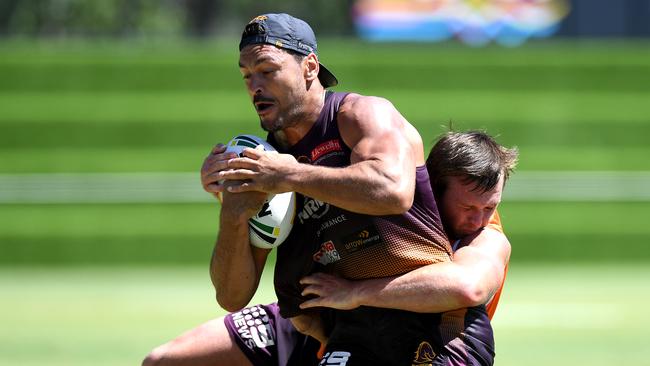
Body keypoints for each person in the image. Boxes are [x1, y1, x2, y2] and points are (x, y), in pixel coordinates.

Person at [143, 12, 514, 365]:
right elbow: (231, 295)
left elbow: (393, 190)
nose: (256, 86)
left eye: (268, 71)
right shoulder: (266, 162)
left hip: (433, 332)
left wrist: (289, 175)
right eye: (247, 76)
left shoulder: (360, 116)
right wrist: (233, 212)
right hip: (344, 329)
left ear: (310, 67)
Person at [143, 130, 518, 366]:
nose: (481, 218)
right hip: (312, 312)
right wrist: (229, 180)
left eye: (490, 205)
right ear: (431, 188)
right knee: (164, 360)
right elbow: (307, 205)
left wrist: (355, 293)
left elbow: (468, 287)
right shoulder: (393, 197)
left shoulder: (487, 237)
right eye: (469, 207)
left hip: (398, 338)